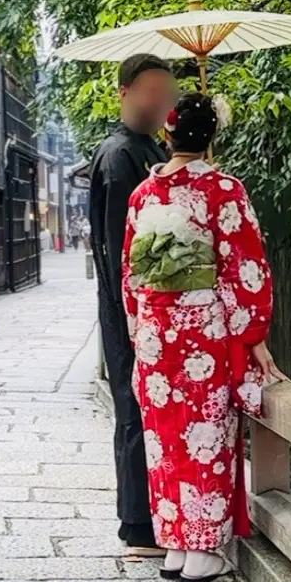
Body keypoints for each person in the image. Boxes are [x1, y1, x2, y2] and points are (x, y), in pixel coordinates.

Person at [122, 89, 279, 582]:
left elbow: (132, 275)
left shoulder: (143, 195)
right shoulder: (223, 190)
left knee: (165, 438)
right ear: (211, 137)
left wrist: (142, 328)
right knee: (204, 435)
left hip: (154, 332)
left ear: (167, 134)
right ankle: (204, 548)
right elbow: (244, 267)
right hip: (202, 335)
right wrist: (253, 334)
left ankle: (174, 543)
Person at [89, 54, 179, 550]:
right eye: (151, 92)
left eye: (168, 94)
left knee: (155, 410)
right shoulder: (119, 155)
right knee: (135, 406)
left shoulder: (151, 149)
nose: (161, 102)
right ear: (124, 93)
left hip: (154, 306)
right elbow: (119, 246)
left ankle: (158, 517)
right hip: (131, 305)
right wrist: (133, 311)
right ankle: (139, 523)